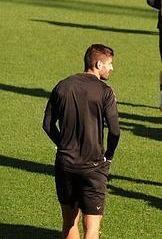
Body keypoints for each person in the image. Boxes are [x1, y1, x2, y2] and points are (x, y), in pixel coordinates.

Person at [42, 44, 120, 239]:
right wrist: (108, 156)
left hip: (66, 163)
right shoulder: (105, 91)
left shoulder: (62, 85)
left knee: (69, 222)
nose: (111, 69)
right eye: (109, 64)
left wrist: (63, 145)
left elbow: (47, 124)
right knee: (92, 227)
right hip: (94, 166)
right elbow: (115, 131)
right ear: (98, 63)